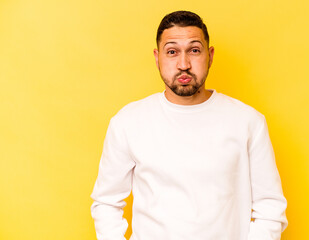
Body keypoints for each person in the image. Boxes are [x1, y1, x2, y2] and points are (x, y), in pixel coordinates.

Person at [91, 10, 288, 240]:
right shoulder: (127, 122)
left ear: (210, 55)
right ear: (157, 57)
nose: (183, 64)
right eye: (172, 52)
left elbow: (270, 208)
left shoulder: (248, 122)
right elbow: (106, 202)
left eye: (194, 50)